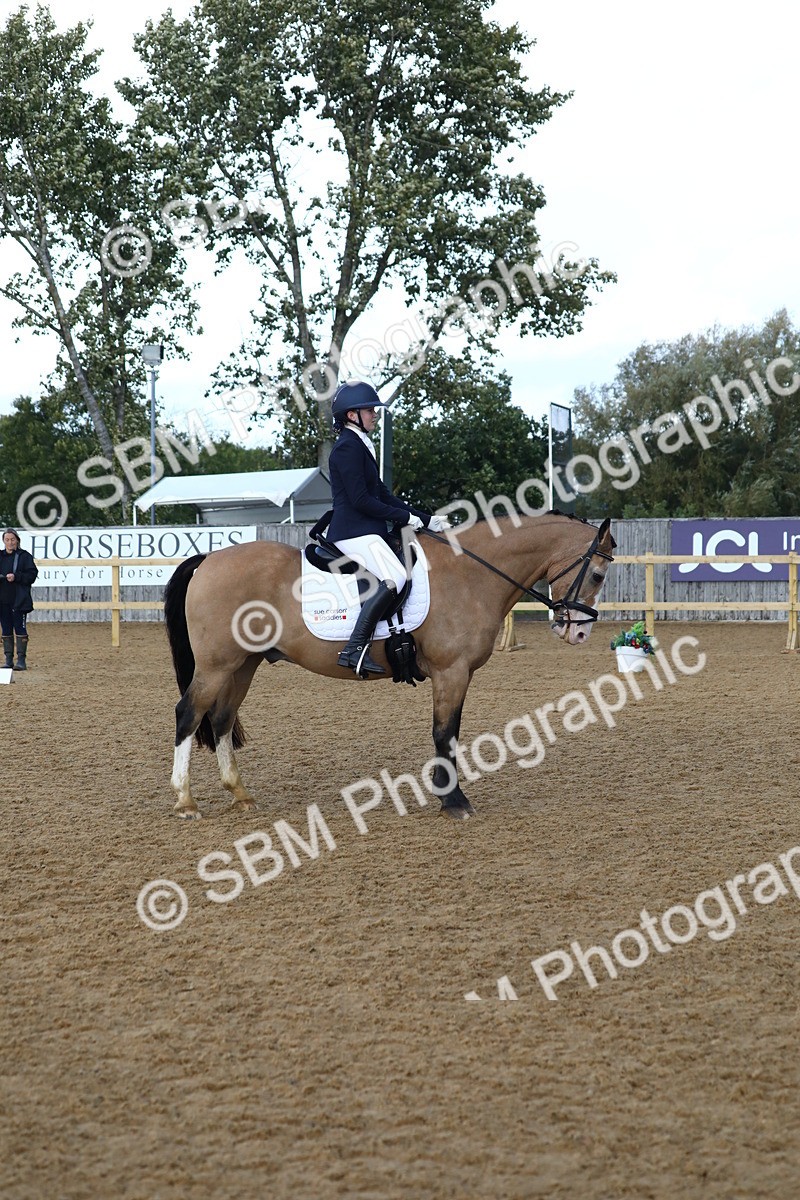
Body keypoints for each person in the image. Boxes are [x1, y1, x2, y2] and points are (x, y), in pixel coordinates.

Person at [327, 380, 449, 677]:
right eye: (369, 410)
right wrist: (403, 518)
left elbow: (383, 495)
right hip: (352, 530)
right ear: (352, 415)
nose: (374, 415)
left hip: (367, 528)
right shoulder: (347, 448)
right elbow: (360, 500)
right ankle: (354, 647)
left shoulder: (360, 444)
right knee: (394, 575)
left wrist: (426, 518)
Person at [1, 527, 38, 671]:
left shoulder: (24, 557)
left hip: (18, 600)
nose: (10, 542)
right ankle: (8, 660)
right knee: (6, 629)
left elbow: (32, 576)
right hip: (2, 600)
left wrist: (17, 577)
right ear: (3, 541)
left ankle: (21, 660)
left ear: (17, 540)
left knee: (20, 628)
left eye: (12, 539)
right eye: (7, 540)